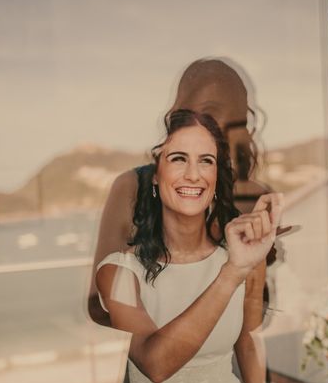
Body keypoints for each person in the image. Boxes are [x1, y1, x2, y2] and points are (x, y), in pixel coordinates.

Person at [96, 109, 280, 383]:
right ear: (156, 174)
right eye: (178, 158)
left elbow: (246, 342)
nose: (193, 174)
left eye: (206, 161)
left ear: (215, 178)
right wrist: (232, 274)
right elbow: (156, 364)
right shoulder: (119, 272)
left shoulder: (237, 258)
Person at [87, 58, 270, 328]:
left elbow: (256, 315)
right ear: (181, 114)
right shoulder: (132, 187)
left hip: (230, 361)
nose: (220, 126)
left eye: (235, 118)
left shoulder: (254, 198)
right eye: (210, 110)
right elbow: (97, 304)